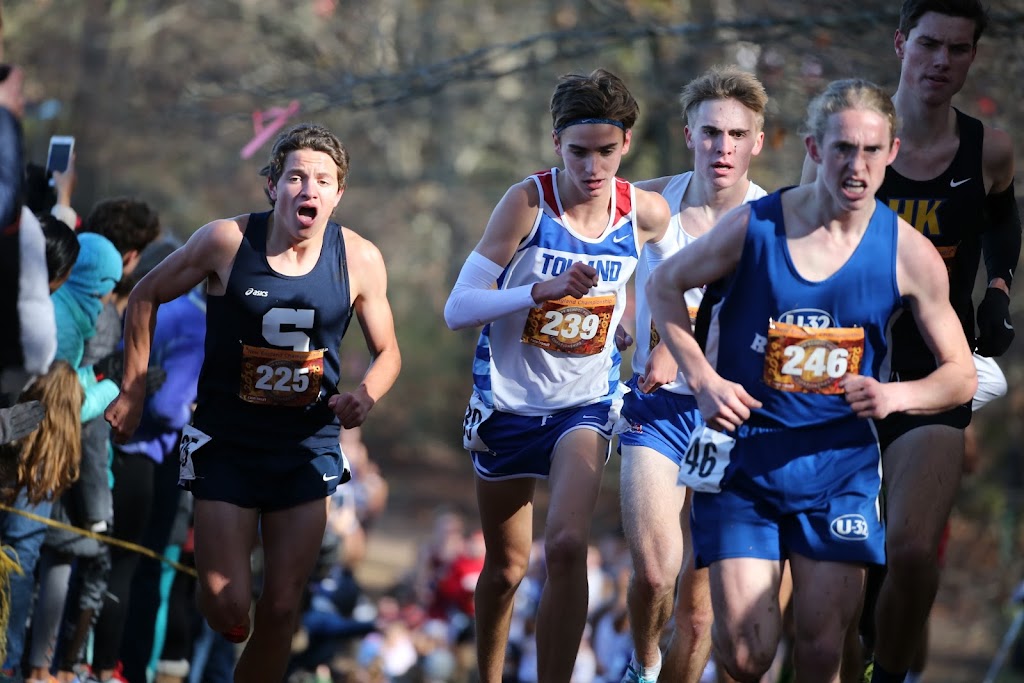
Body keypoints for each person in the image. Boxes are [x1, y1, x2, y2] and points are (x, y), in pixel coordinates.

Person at [647, 79, 976, 682]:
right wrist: (702, 380)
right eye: (843, 149)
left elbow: (959, 376)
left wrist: (895, 395)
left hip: (838, 469)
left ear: (892, 153)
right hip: (744, 461)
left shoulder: (909, 253)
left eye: (872, 151)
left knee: (824, 650)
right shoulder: (756, 227)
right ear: (815, 149)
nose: (857, 166)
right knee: (746, 655)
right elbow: (664, 285)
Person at [105, 121, 401, 683]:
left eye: (322, 180)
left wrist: (365, 396)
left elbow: (388, 352)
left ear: (339, 193)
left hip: (306, 447)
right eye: (295, 177)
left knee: (283, 609)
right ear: (273, 185)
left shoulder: (359, 259)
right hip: (226, 444)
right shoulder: (226, 241)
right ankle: (229, 624)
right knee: (225, 604)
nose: (308, 189)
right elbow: (144, 294)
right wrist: (134, 388)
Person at [799, 3, 1019, 681]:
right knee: (845, 556)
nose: (940, 62)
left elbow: (1003, 217)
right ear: (901, 44)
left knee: (915, 555)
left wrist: (999, 289)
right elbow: (803, 234)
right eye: (929, 44)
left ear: (972, 57)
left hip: (933, 368)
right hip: (845, 363)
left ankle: (888, 673)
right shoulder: (856, 138)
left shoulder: (990, 148)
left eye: (957, 50)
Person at [444, 68, 670, 683]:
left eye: (606, 151)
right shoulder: (526, 202)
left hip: (585, 404)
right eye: (578, 152)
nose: (592, 167)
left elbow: (669, 280)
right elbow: (457, 308)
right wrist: (536, 293)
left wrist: (633, 317)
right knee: (507, 567)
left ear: (626, 144)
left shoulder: (644, 212)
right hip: (508, 404)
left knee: (568, 545)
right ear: (555, 145)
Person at [616, 65, 768, 683]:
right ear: (689, 135)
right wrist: (620, 317)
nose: (722, 148)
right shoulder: (649, 203)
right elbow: (592, 247)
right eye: (710, 133)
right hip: (656, 410)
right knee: (655, 572)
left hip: (725, 424)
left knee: (701, 618)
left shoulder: (774, 222)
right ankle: (641, 667)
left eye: (736, 135)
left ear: (758, 142)